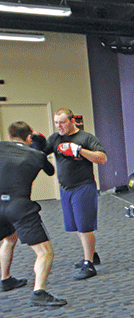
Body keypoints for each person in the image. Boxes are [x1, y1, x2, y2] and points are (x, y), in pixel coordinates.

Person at [0, 121, 66, 307]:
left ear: (10, 136)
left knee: (9, 238)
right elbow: (51, 171)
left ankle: (5, 279)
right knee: (45, 252)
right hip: (19, 206)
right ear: (29, 137)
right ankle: (39, 292)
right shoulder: (36, 154)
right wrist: (39, 145)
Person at [45, 108, 107, 280]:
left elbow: (102, 158)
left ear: (72, 121)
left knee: (84, 227)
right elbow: (41, 153)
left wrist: (79, 150)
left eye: (62, 122)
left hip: (83, 187)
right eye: (57, 122)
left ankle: (89, 264)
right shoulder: (55, 138)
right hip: (65, 189)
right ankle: (92, 254)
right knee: (76, 227)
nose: (59, 126)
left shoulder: (86, 138)